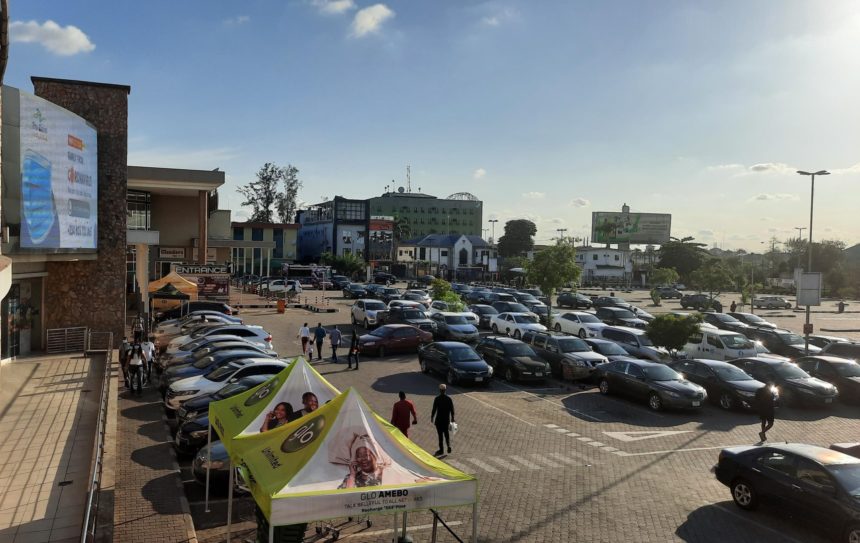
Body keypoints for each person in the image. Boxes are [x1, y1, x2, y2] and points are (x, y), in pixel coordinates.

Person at [431, 384, 455, 456]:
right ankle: (448, 445)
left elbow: (434, 409)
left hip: (438, 420)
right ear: (445, 390)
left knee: (440, 436)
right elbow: (452, 410)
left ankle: (441, 450)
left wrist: (432, 417)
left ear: (440, 390)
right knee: (446, 434)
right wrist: (453, 418)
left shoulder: (437, 399)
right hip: (446, 420)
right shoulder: (449, 399)